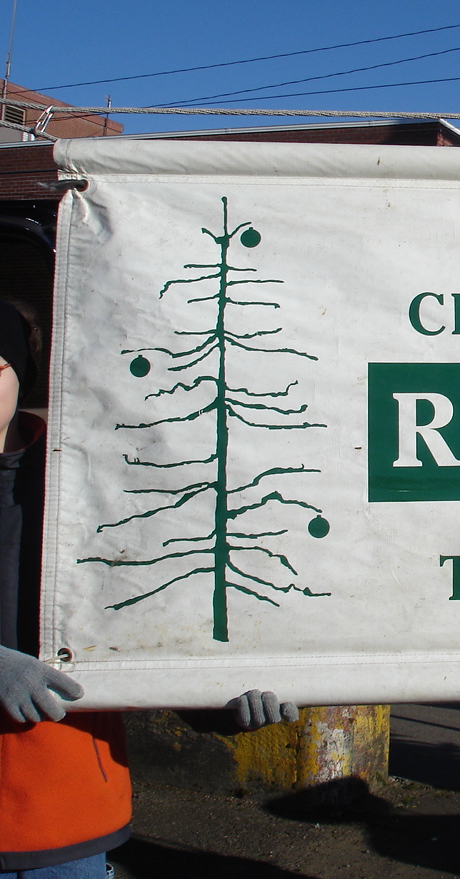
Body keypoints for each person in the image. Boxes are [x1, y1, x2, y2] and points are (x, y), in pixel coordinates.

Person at [0, 299, 296, 877]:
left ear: (23, 373)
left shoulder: (92, 491)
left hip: (63, 821)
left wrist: (218, 698)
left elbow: (147, 628)